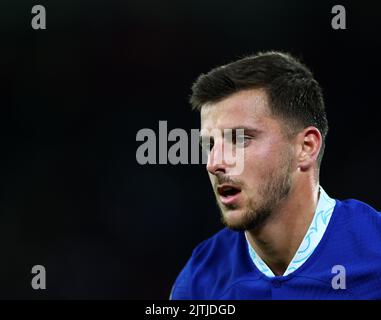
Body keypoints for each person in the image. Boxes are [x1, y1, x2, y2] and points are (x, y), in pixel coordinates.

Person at [170, 51, 381, 300]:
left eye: (240, 139)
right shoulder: (200, 280)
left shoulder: (374, 253)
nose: (214, 163)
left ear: (306, 148)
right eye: (210, 145)